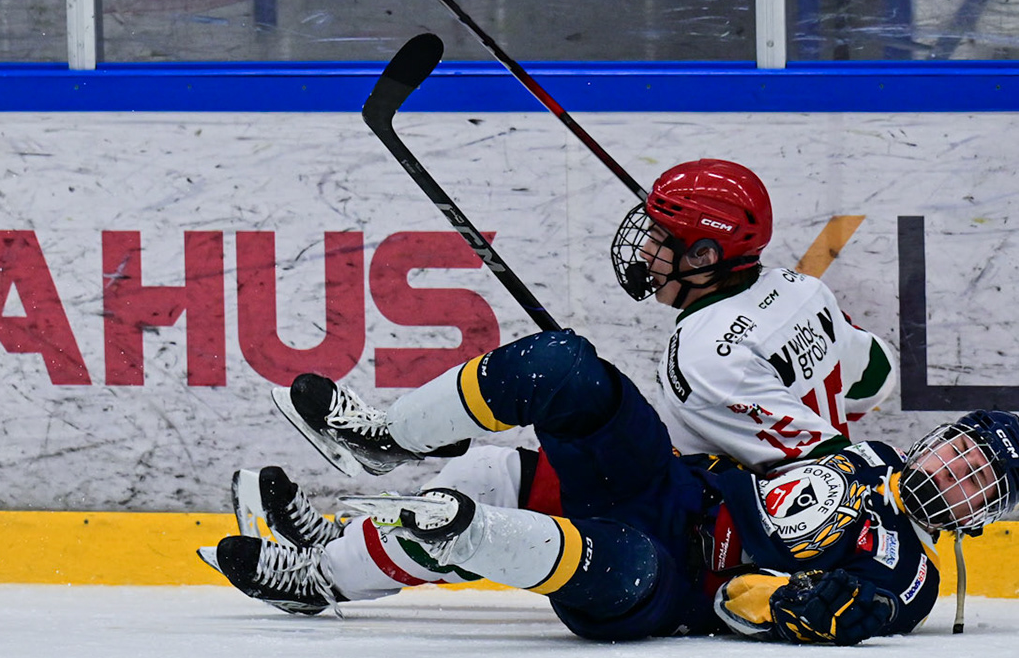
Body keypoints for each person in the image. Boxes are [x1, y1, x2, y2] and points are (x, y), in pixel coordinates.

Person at [223, 159, 902, 604]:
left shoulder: (706, 355)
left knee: (488, 512)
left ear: (703, 255)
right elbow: (876, 375)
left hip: (715, 537)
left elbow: (813, 471)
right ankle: (348, 528)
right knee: (486, 474)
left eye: (663, 239)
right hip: (688, 487)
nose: (645, 249)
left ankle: (322, 576)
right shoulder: (798, 290)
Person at [201, 328, 1019, 644]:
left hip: (672, 581)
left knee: (499, 524)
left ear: (983, 515)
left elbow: (828, 613)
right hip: (670, 488)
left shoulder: (912, 575)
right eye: (961, 456)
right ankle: (385, 441)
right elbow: (753, 442)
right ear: (938, 441)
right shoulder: (862, 453)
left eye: (977, 484)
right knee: (564, 368)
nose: (954, 477)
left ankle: (322, 575)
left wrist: (789, 604)